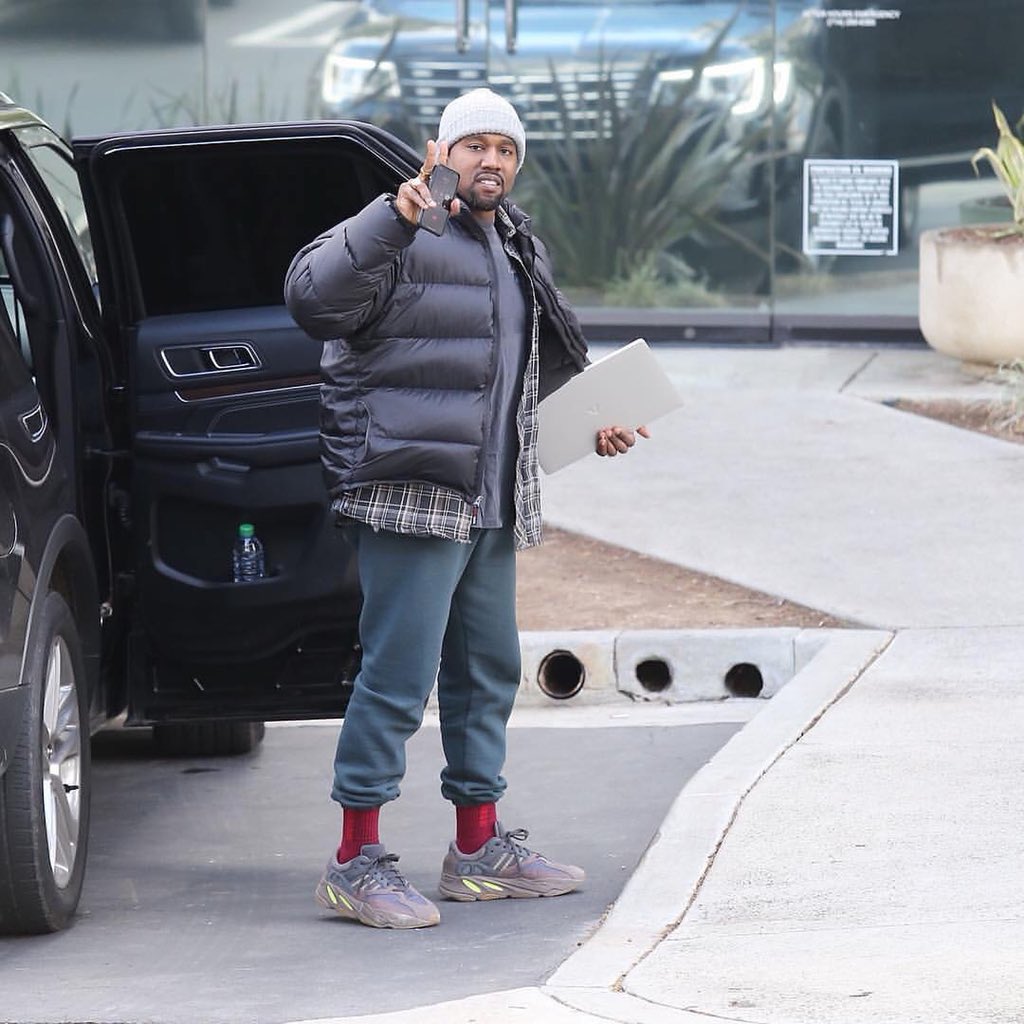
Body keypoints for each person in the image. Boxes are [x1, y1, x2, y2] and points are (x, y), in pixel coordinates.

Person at [284, 88, 648, 930]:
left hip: (494, 500)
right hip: (412, 496)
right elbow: (311, 298)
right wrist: (392, 216)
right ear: (438, 151)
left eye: (506, 149)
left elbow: (529, 368)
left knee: (485, 676)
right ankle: (354, 861)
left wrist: (599, 425)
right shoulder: (399, 231)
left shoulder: (518, 243)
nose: (491, 161)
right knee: (397, 681)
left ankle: (478, 853)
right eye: (474, 145)